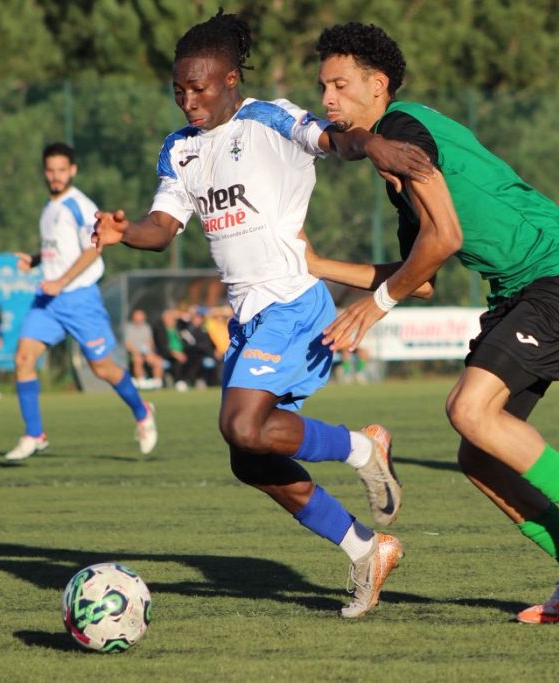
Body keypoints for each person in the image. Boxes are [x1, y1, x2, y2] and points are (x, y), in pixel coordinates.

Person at [92, 10, 434, 618]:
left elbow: (337, 140)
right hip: (248, 317)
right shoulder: (180, 149)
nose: (188, 101)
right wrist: (124, 233)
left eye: (199, 88)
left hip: (293, 303)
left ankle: (361, 448)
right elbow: (162, 228)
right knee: (249, 458)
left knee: (243, 426)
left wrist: (374, 142)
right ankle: (366, 549)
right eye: (178, 90)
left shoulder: (270, 119)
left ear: (230, 79)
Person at [307, 22, 559, 624]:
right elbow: (421, 274)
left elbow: (446, 239)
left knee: (468, 409)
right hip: (523, 291)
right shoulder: (396, 164)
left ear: (377, 85)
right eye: (323, 87)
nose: (328, 98)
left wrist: (377, 304)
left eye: (340, 85)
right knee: (479, 456)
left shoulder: (402, 129)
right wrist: (317, 265)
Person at [5, 142, 157, 461]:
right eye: (51, 170)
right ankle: (34, 434)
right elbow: (60, 250)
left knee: (102, 368)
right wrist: (35, 260)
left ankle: (142, 411)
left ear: (72, 170)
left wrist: (61, 282)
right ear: (44, 172)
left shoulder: (80, 205)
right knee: (23, 358)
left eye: (62, 170)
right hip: (49, 301)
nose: (56, 176)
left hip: (79, 298)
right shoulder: (49, 207)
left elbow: (93, 249)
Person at [124, 308, 165, 388]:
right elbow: (127, 343)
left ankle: (157, 382)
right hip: (133, 353)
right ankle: (141, 381)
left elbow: (149, 342)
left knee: (158, 361)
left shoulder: (146, 327)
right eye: (138, 316)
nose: (139, 318)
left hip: (146, 352)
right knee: (138, 360)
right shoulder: (128, 328)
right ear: (133, 317)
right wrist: (135, 352)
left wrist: (148, 352)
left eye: (141, 316)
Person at [153, 307, 188, 390]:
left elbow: (187, 322)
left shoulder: (178, 328)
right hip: (167, 353)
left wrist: (178, 314)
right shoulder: (160, 329)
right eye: (168, 318)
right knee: (177, 360)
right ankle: (178, 381)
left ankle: (189, 380)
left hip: (181, 352)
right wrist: (175, 353)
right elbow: (163, 346)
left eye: (172, 318)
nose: (171, 320)